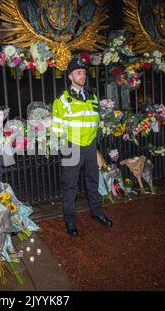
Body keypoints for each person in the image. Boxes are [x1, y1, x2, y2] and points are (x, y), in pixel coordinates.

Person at [51, 57, 113, 237]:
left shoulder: (93, 97)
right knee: (70, 187)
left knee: (92, 183)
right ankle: (70, 221)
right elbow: (57, 128)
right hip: (72, 147)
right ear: (70, 76)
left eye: (84, 73)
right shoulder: (62, 100)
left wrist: (95, 149)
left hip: (90, 146)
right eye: (78, 73)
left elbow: (94, 124)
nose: (83, 75)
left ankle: (97, 213)